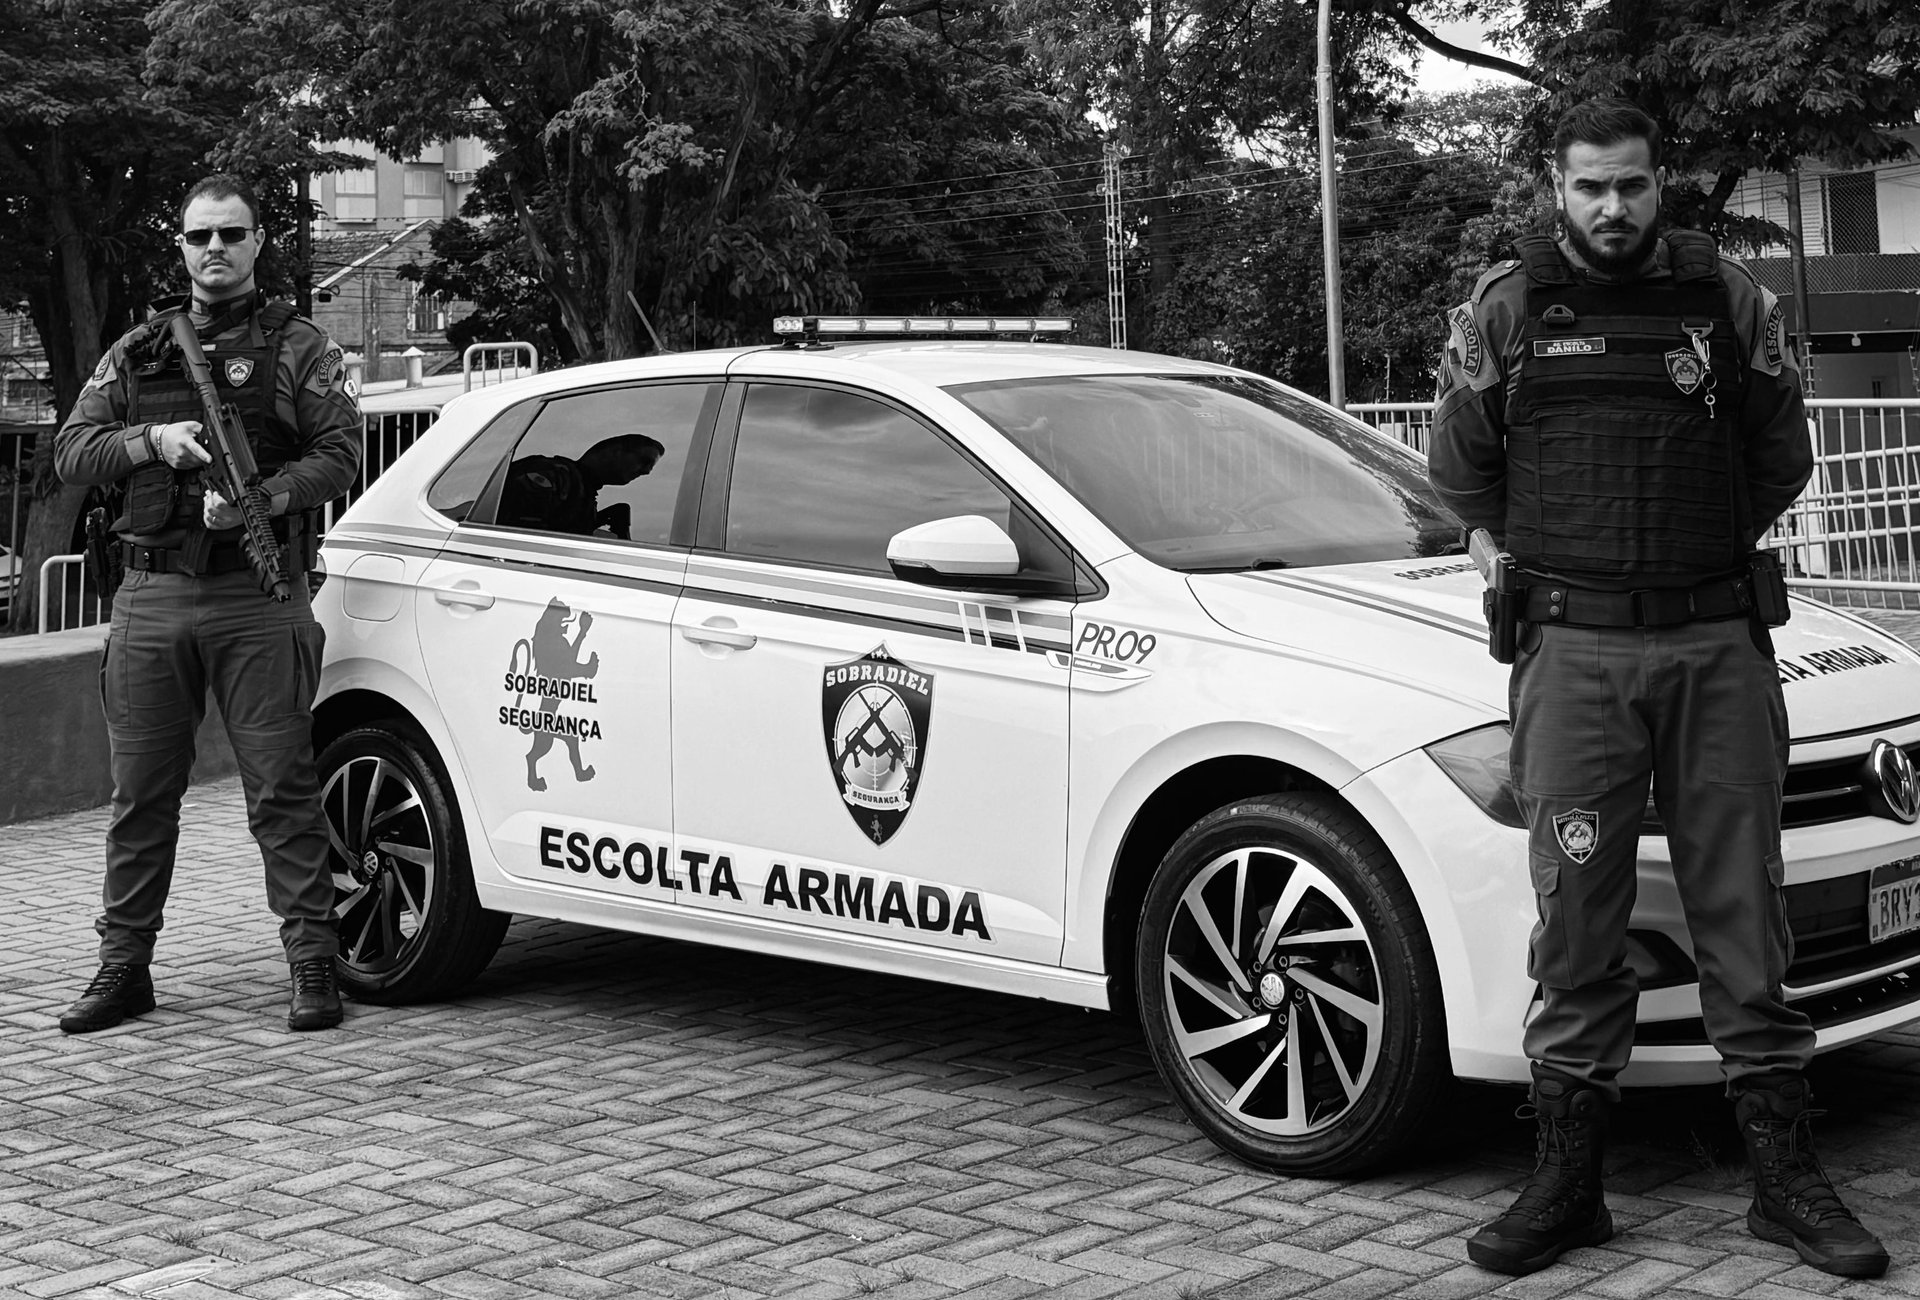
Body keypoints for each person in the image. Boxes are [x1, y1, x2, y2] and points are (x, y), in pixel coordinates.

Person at [1427, 98, 1887, 1280]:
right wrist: (1511, 552)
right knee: (1577, 916)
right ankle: (1568, 1186)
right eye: (1590, 187)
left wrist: (1686, 552)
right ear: (1556, 183)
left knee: (1744, 908)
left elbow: (1781, 453)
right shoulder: (1510, 306)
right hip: (1573, 655)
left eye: (1631, 185)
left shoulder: (1731, 302)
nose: (1613, 208)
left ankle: (1783, 1184)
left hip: (1714, 645)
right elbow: (1461, 469)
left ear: (1659, 179)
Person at [53, 174, 361, 1035]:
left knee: (283, 793)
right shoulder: (138, 352)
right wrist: (151, 441)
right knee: (141, 797)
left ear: (260, 241)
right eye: (199, 237)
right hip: (152, 598)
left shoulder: (300, 347)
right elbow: (73, 454)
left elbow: (341, 455)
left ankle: (311, 963)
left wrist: (259, 499)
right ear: (181, 247)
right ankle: (124, 967)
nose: (214, 250)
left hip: (258, 598)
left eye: (231, 234)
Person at [497, 434, 665, 538]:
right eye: (644, 462)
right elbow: (525, 540)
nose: (647, 471)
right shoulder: (554, 476)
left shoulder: (582, 489)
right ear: (615, 452)